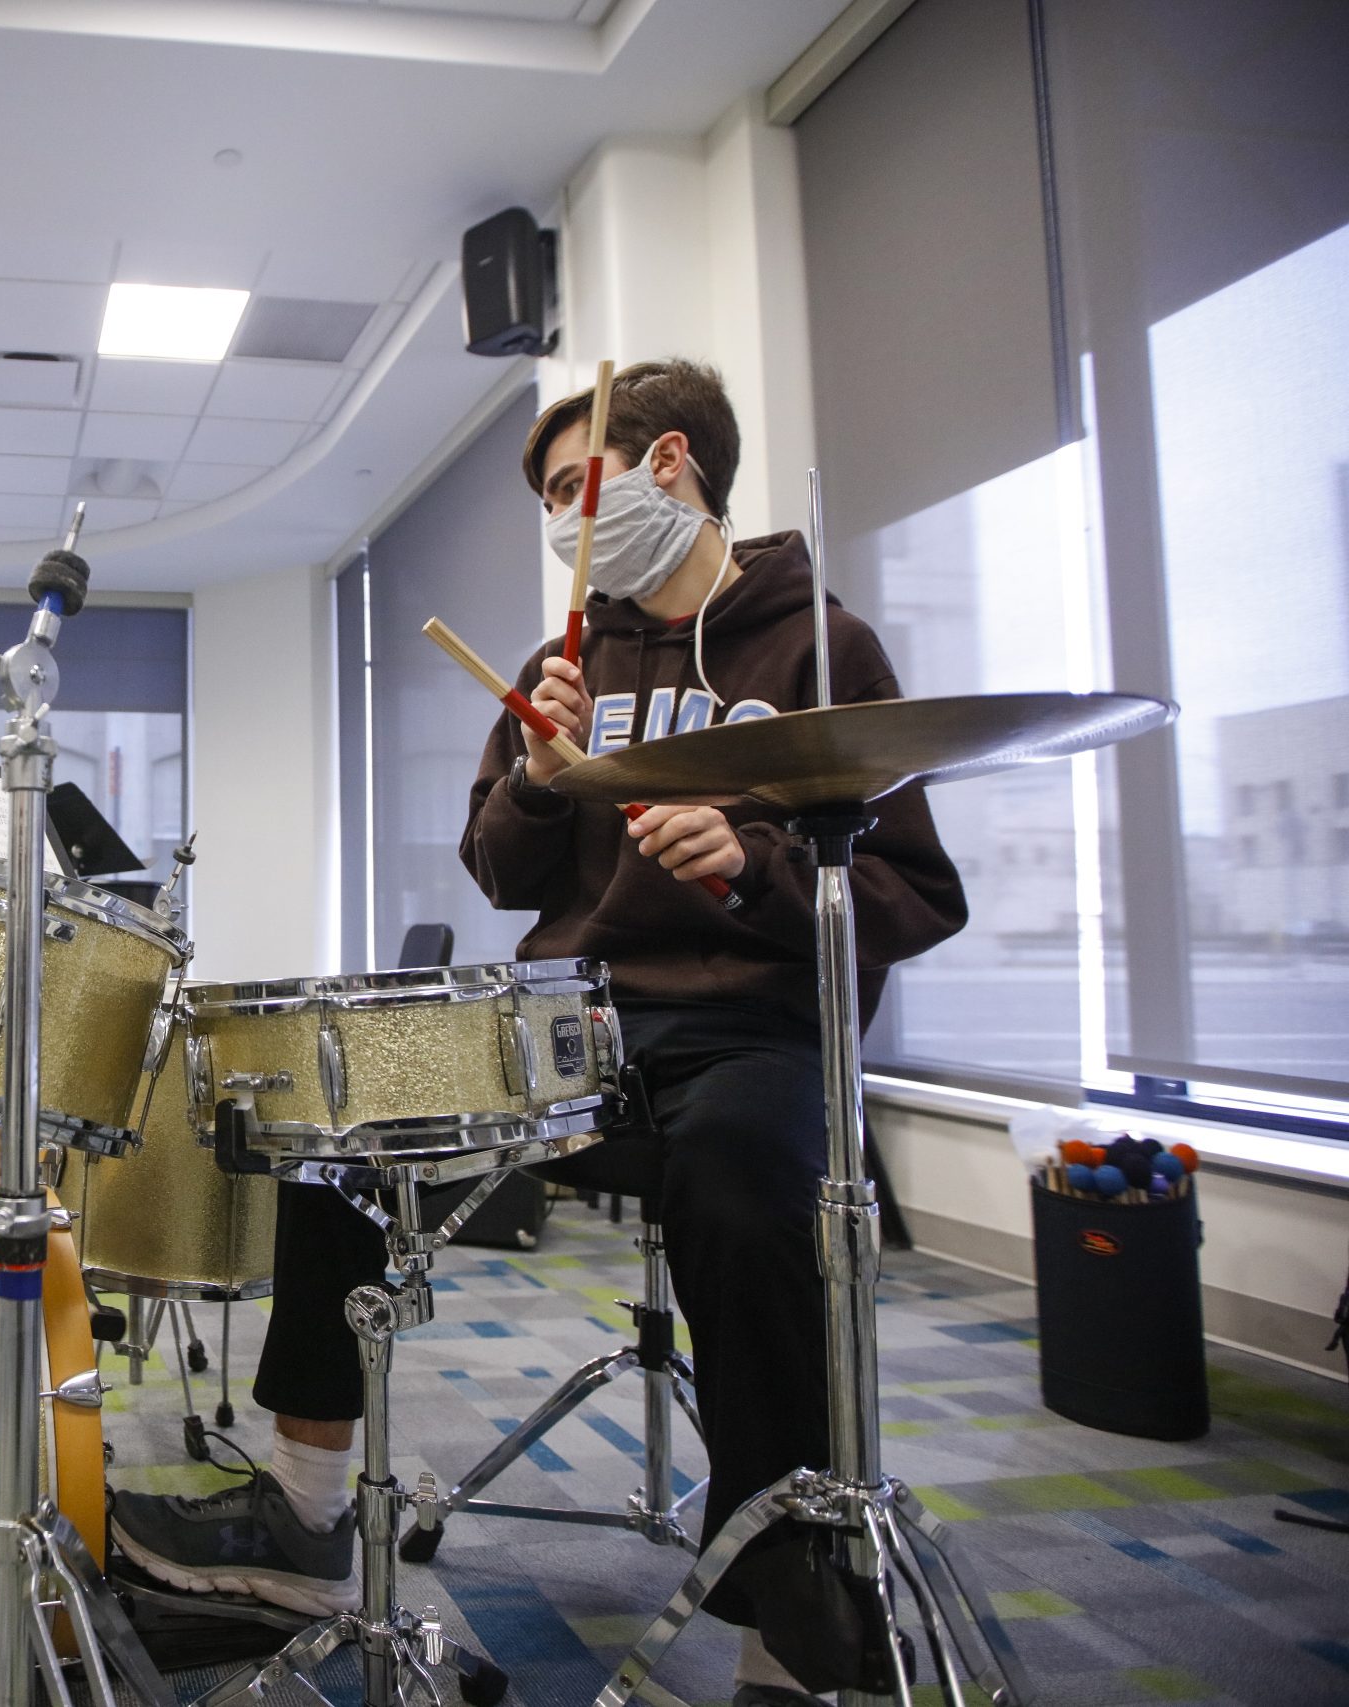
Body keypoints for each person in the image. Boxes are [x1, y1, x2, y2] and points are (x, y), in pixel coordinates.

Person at [110, 361, 966, 1704]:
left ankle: (782, 1625)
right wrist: (534, 773)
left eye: (580, 485)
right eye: (556, 501)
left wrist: (750, 867)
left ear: (671, 461)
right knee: (342, 1119)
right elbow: (503, 875)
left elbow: (912, 893)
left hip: (755, 1032)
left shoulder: (819, 649)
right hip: (583, 1024)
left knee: (751, 1193)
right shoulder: (564, 662)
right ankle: (308, 1506)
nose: (570, 520)